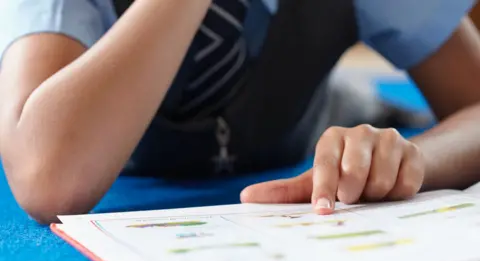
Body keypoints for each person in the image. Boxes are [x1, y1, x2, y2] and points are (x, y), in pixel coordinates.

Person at [1, 0, 480, 225]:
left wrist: (411, 158)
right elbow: (48, 177)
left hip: (314, 126)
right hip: (134, 167)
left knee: (366, 109)